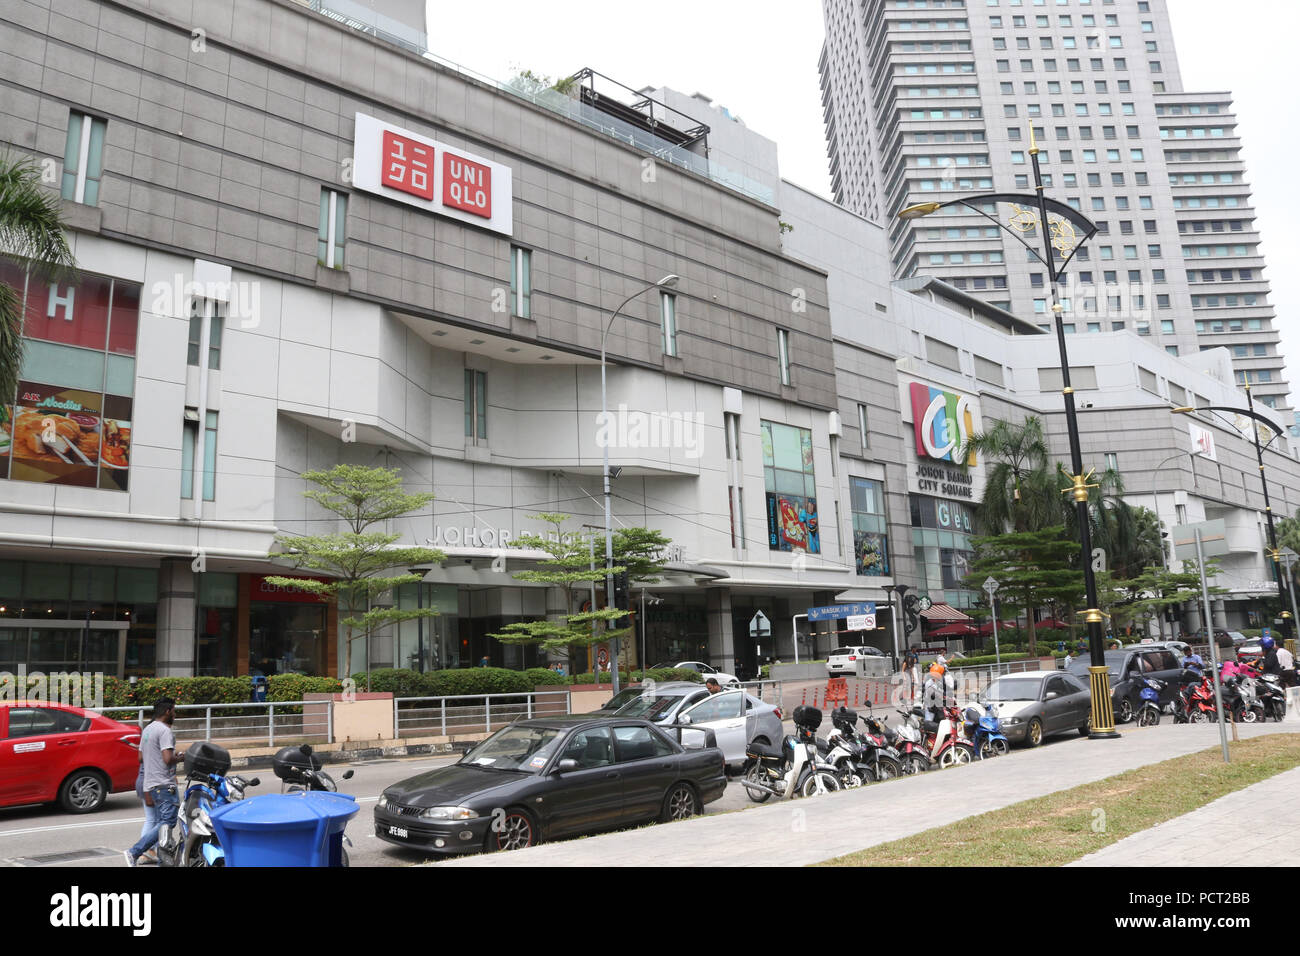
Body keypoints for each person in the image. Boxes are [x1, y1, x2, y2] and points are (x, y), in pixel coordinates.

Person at [125, 698, 182, 867]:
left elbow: (141, 757)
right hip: (164, 783)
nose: (175, 714)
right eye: (174, 710)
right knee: (168, 822)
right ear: (167, 711)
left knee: (160, 822)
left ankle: (161, 861)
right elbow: (167, 758)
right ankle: (135, 851)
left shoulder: (148, 729)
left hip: (151, 784)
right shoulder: (165, 731)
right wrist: (180, 757)